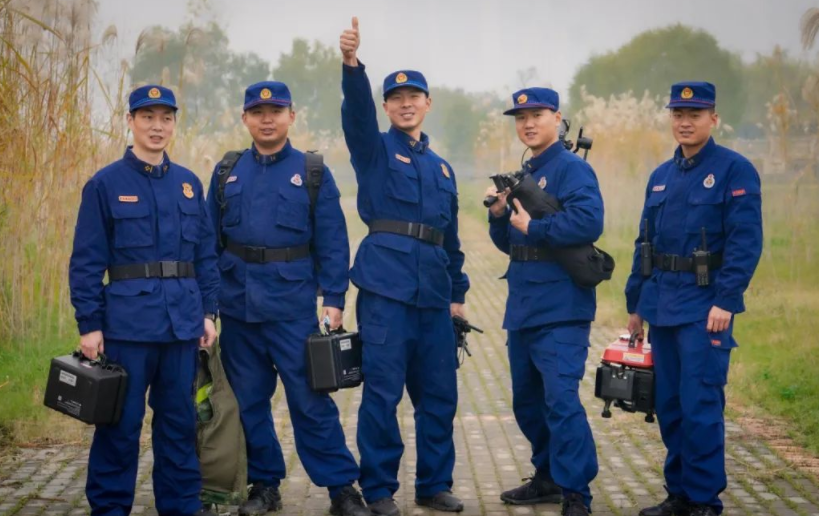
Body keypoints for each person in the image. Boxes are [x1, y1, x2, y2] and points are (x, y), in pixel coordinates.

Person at [205, 81, 367, 516]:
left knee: (311, 403)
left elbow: (333, 239)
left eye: (275, 110)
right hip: (238, 309)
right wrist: (207, 305)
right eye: (257, 111)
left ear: (291, 116)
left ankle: (340, 488)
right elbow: (207, 243)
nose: (267, 118)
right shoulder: (226, 172)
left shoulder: (312, 171)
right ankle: (265, 485)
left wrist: (334, 297)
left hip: (293, 308)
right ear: (245, 119)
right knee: (249, 404)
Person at [338, 17, 470, 516]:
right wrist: (352, 66)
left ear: (427, 103)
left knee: (439, 397)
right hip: (386, 293)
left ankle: (434, 485)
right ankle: (378, 489)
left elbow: (451, 237)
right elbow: (355, 115)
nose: (406, 103)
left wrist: (458, 293)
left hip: (434, 298)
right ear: (388, 107)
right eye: (396, 98)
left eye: (414, 95)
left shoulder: (442, 168)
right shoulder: (373, 150)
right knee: (382, 396)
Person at [68, 84, 219, 516]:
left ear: (174, 123)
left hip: (181, 327)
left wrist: (208, 313)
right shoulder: (105, 184)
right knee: (120, 425)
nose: (157, 126)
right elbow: (86, 262)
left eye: (166, 118)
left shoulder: (189, 184)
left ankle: (181, 506)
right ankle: (111, 508)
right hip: (128, 327)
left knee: (178, 425)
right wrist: (89, 324)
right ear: (130, 121)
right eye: (148, 117)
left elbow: (205, 256)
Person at [624, 82, 763, 516]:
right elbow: (644, 242)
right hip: (663, 304)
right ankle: (679, 494)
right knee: (668, 405)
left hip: (706, 309)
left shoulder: (734, 170)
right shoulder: (660, 177)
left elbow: (745, 242)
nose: (685, 122)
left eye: (695, 115)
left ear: (713, 119)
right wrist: (636, 304)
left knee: (700, 404)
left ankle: (704, 499)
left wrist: (727, 299)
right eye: (678, 115)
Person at [485, 88, 602, 516]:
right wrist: (499, 216)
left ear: (556, 117)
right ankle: (548, 476)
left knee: (561, 401)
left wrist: (534, 228)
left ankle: (577, 493)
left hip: (562, 308)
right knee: (528, 402)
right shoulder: (524, 173)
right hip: (524, 306)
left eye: (536, 115)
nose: (528, 124)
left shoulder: (572, 169)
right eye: (520, 118)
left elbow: (590, 221)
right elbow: (511, 242)